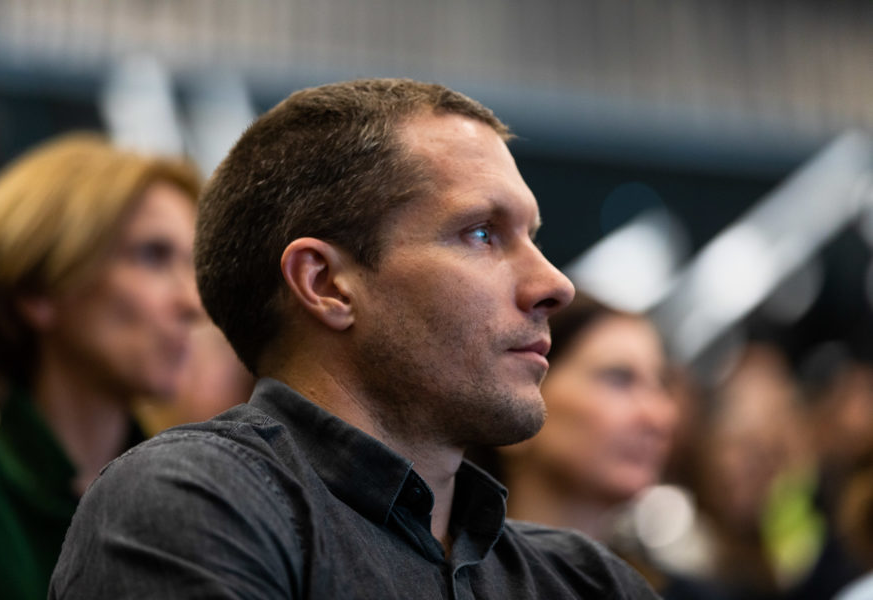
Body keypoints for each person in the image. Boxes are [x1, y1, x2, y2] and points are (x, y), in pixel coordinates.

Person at [49, 78, 659, 599]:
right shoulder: (197, 501)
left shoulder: (586, 580)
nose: (556, 284)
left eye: (533, 236)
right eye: (482, 233)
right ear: (327, 285)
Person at [0, 133, 203, 600]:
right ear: (39, 289)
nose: (192, 303)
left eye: (193, 265)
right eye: (153, 256)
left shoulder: (199, 500)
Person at [489, 295, 677, 541]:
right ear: (516, 399)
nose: (659, 417)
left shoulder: (655, 570)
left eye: (661, 384)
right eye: (618, 379)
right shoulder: (447, 562)